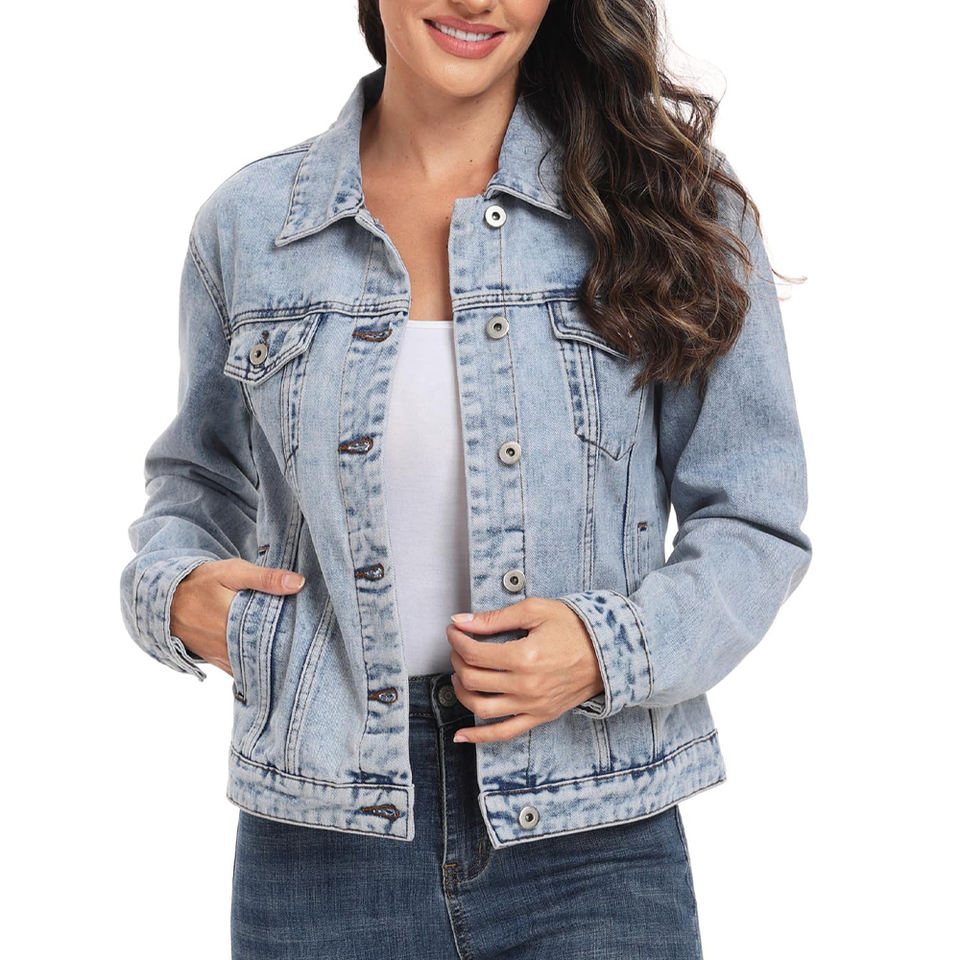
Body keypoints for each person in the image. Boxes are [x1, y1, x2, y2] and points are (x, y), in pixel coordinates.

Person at [119, 2, 812, 957]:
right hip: (321, 833)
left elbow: (753, 517)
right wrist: (175, 592)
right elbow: (194, 481)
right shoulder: (251, 225)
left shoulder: (669, 205)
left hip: (594, 829)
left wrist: (608, 649)